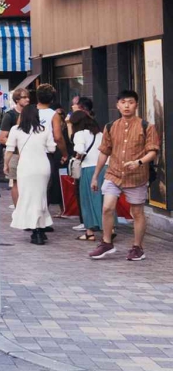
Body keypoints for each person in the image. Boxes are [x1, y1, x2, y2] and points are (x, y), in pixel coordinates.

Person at [91, 90, 160, 262]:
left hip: (136, 175)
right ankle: (107, 243)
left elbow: (153, 151)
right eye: (123, 102)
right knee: (107, 207)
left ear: (136, 105)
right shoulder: (110, 126)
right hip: (113, 173)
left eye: (130, 102)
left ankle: (137, 247)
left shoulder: (147, 126)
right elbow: (104, 152)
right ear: (117, 105)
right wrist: (95, 175)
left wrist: (139, 162)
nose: (126, 105)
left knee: (136, 212)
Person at [7, 105, 55, 244]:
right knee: (40, 197)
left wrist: (6, 164)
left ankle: (36, 231)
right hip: (42, 166)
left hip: (26, 168)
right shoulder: (44, 129)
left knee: (28, 197)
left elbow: (9, 149)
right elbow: (52, 148)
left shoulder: (15, 130)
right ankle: (40, 227)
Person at [70, 111, 104, 243]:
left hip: (88, 168)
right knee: (104, 200)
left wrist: (77, 158)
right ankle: (109, 230)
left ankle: (89, 232)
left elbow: (79, 150)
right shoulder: (100, 134)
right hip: (104, 167)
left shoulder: (79, 134)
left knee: (87, 201)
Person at [37, 87, 69, 217]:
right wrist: (65, 153)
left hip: (29, 154)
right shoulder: (53, 114)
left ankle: (32, 217)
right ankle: (43, 217)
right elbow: (58, 137)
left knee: (33, 188)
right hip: (46, 154)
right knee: (46, 186)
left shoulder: (28, 112)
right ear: (52, 99)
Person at [0, 89, 30, 207]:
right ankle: (18, 208)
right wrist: (17, 143)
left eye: (28, 97)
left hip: (29, 154)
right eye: (24, 97)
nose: (27, 99)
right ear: (17, 100)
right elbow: (2, 138)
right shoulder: (10, 115)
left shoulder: (32, 113)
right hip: (15, 154)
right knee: (16, 182)